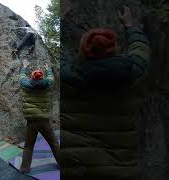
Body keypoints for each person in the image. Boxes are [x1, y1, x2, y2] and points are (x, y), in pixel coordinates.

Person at [60, 5, 150, 179]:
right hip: (119, 169)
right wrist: (130, 25)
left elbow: (60, 57)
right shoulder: (132, 72)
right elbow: (141, 50)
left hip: (76, 166)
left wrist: (61, 20)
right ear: (114, 49)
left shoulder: (66, 75)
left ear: (83, 50)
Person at [19, 59, 60, 173]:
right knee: (54, 143)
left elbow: (21, 77)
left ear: (31, 77)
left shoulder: (26, 85)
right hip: (43, 120)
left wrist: (25, 66)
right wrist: (48, 70)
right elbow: (51, 78)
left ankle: (24, 168)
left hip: (31, 121)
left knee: (28, 146)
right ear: (42, 77)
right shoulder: (47, 84)